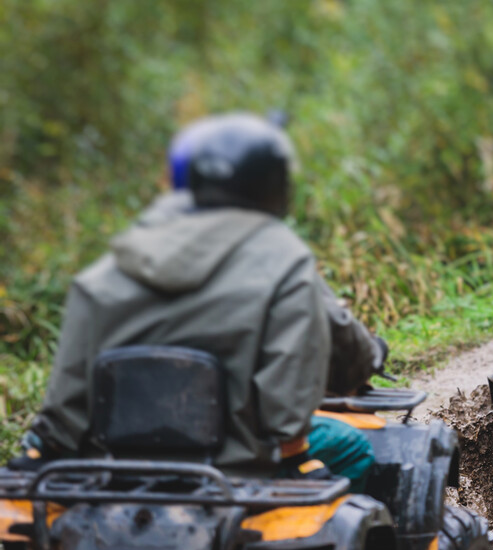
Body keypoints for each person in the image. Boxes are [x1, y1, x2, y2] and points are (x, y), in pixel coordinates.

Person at [10, 113, 379, 489]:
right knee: (351, 447)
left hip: (109, 461)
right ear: (275, 184)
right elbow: (287, 385)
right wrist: (293, 450)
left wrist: (47, 447)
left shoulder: (117, 260)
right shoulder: (283, 258)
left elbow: (68, 388)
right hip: (235, 463)